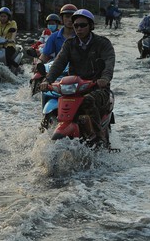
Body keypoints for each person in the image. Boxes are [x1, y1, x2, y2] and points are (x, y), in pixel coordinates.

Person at [40, 9, 115, 142]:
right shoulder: (69, 44)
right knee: (54, 103)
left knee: (88, 100)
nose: (79, 28)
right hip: (74, 88)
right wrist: (47, 80)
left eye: (82, 25)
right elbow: (59, 63)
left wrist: (104, 79)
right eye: (76, 26)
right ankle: (41, 140)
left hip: (96, 87)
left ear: (91, 26)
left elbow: (109, 62)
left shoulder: (103, 43)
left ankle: (99, 139)